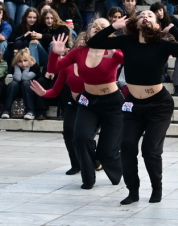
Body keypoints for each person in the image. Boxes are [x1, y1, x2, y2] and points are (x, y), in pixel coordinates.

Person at [88, 11, 178, 204]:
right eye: (142, 15)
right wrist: (114, 27)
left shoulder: (162, 45)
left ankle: (157, 188)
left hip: (159, 105)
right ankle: (133, 191)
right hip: (134, 105)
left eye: (151, 16)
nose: (146, 16)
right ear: (134, 23)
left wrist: (173, 31)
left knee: (150, 150)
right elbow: (93, 42)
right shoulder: (126, 42)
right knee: (127, 146)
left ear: (157, 24)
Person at [44, 24, 124, 188]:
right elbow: (54, 68)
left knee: (106, 152)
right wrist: (54, 53)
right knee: (80, 138)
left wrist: (118, 51)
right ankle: (88, 178)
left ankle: (115, 170)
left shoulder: (114, 52)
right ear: (89, 32)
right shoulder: (78, 52)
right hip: (88, 101)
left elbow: (139, 62)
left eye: (103, 26)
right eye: (95, 26)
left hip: (112, 103)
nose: (98, 27)